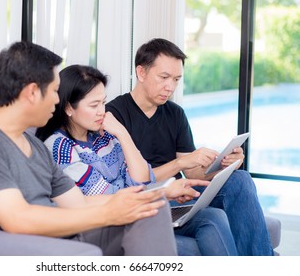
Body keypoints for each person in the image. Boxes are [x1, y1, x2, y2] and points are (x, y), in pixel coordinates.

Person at [0, 41, 177, 256]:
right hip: (28, 251)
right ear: (32, 92)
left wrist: (144, 197)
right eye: (54, 91)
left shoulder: (34, 147)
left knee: (150, 211)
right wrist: (107, 214)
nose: (57, 102)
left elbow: (77, 202)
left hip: (64, 241)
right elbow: (17, 219)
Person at [36, 64, 238, 256]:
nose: (102, 111)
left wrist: (122, 134)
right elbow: (112, 196)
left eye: (104, 103)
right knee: (195, 250)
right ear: (69, 108)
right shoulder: (59, 147)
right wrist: (164, 192)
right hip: (107, 225)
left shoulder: (103, 136)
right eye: (94, 105)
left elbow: (143, 179)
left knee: (213, 216)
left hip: (139, 214)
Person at [106, 38, 274, 256]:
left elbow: (193, 172)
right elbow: (132, 181)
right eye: (164, 77)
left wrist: (223, 165)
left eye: (176, 79)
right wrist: (181, 163)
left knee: (240, 179)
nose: (171, 87)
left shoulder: (174, 113)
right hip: (155, 198)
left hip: (181, 195)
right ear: (141, 73)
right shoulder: (115, 116)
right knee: (213, 217)